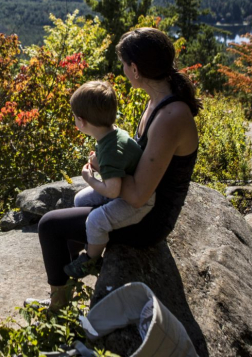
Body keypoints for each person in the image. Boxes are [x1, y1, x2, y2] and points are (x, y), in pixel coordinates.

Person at [36, 27, 201, 312]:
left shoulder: (170, 116)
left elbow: (137, 195)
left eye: (124, 64)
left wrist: (105, 175)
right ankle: (72, 279)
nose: (123, 69)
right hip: (141, 201)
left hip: (148, 218)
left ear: (135, 69)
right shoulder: (159, 100)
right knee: (76, 204)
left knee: (50, 225)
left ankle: (59, 305)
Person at [64, 80, 156, 278]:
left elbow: (113, 190)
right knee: (81, 200)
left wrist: (89, 177)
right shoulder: (110, 134)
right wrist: (99, 165)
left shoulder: (110, 149)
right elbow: (117, 169)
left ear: (81, 121)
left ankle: (92, 259)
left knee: (96, 220)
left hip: (137, 203)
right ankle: (92, 238)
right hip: (128, 190)